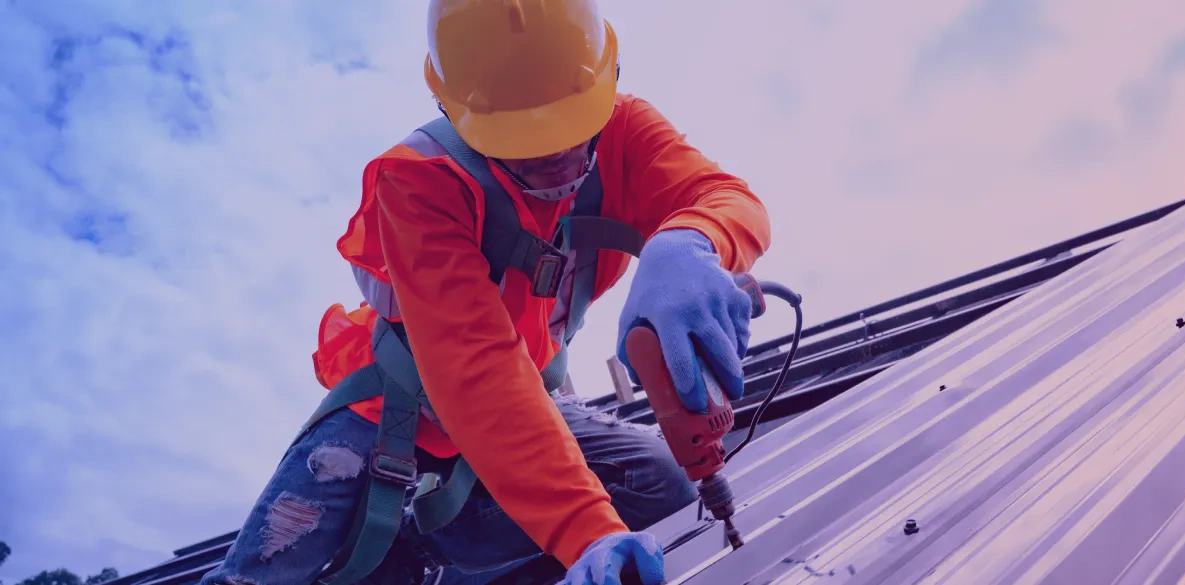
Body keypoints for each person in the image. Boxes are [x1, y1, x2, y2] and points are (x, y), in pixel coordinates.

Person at [197, 1, 770, 584]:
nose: (552, 154)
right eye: (522, 139)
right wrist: (586, 530)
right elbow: (478, 372)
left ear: (608, 81)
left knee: (656, 482)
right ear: (449, 107)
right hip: (393, 411)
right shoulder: (419, 181)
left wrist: (693, 243)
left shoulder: (626, 133)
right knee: (256, 577)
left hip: (526, 407)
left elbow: (723, 197)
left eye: (570, 129)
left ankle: (424, 540)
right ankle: (394, 539)